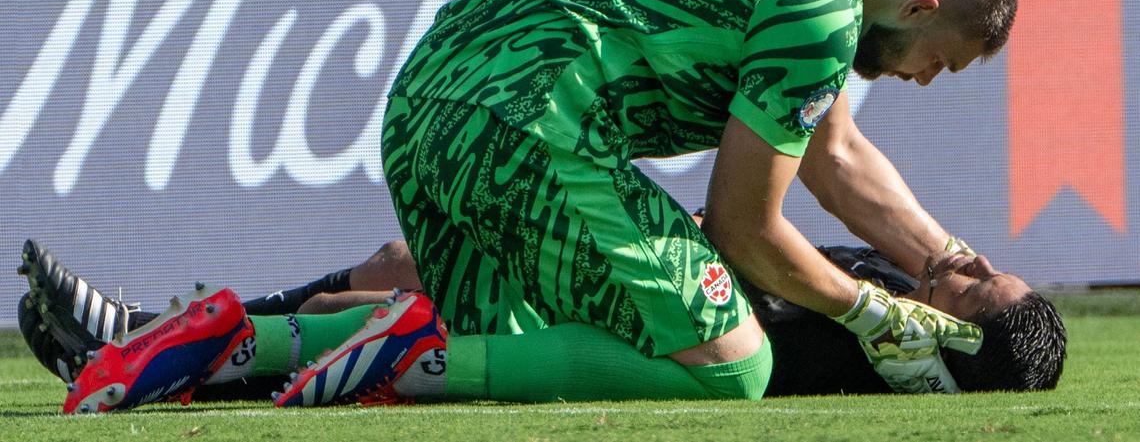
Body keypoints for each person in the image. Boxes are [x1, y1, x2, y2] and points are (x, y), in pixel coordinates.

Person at [58, 0, 1023, 412]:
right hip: (527, 126)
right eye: (945, 59)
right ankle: (394, 357)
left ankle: (227, 339)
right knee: (735, 364)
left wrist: (940, 263)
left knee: (514, 350)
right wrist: (875, 312)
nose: (925, 77)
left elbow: (834, 154)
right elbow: (743, 225)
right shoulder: (820, 19)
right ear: (924, 6)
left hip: (426, 106)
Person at [18, 233, 1066, 399]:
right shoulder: (887, 276)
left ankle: (150, 351)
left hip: (639, 320)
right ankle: (150, 335)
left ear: (966, 335)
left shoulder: (883, 348)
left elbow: (740, 301)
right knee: (402, 266)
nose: (966, 262)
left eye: (981, 286)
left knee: (393, 302)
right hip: (641, 269)